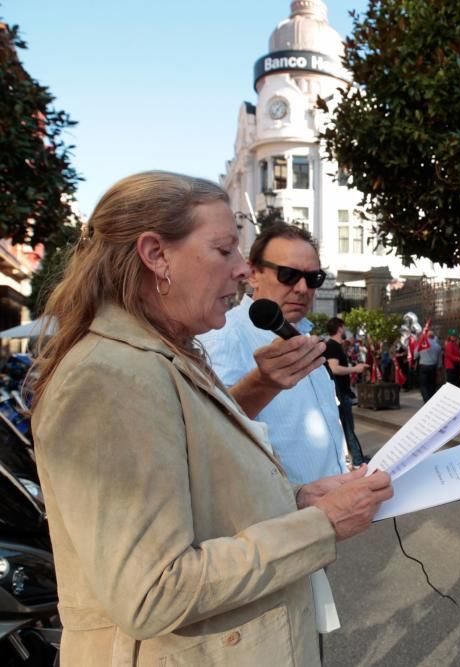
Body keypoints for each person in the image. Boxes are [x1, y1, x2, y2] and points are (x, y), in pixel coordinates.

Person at [28, 172, 392, 665]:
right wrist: (320, 524)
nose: (243, 271)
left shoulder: (161, 357)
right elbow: (152, 591)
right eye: (225, 251)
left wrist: (298, 498)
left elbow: (201, 492)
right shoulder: (109, 379)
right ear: (156, 255)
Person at [199, 222, 349, 484]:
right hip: (280, 515)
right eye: (288, 274)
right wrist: (262, 383)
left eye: (313, 278)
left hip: (332, 508)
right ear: (253, 273)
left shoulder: (305, 335)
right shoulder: (226, 333)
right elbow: (209, 428)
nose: (302, 288)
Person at [326, 317, 369, 468]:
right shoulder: (332, 346)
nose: (345, 331)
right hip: (340, 394)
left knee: (346, 428)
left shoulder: (336, 346)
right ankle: (358, 460)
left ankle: (354, 458)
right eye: (343, 327)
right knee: (348, 428)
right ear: (339, 328)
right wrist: (355, 369)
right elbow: (334, 368)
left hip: (342, 393)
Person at [414, 329, 443, 402]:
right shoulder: (437, 346)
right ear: (433, 337)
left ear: (426, 336)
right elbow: (439, 360)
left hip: (423, 366)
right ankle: (431, 400)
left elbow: (415, 355)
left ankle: (426, 400)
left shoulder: (421, 344)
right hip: (433, 366)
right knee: (432, 385)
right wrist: (439, 370)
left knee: (424, 385)